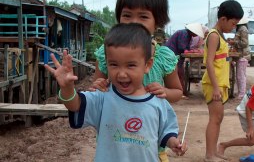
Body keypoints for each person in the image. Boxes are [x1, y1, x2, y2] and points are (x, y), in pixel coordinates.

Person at [44, 23, 188, 162]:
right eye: (114, 64)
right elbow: (74, 105)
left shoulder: (158, 102)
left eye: (131, 65)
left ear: (147, 65)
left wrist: (173, 142)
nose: (122, 74)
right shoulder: (102, 98)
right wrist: (67, 88)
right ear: (106, 63)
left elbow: (166, 133)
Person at [91, 0, 183, 161]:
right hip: (116, 140)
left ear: (158, 21)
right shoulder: (107, 52)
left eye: (143, 17)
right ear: (119, 16)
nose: (134, 22)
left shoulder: (163, 57)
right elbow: (97, 88)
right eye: (127, 15)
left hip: (150, 141)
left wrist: (164, 91)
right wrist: (99, 85)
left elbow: (178, 92)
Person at [201, 0, 244, 162]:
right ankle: (209, 155)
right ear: (223, 19)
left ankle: (213, 152)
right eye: (233, 23)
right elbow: (209, 63)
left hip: (220, 83)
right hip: (214, 84)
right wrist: (217, 88)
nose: (234, 27)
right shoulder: (213, 36)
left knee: (218, 118)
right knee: (215, 118)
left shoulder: (220, 36)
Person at [165, 23, 204, 91]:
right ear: (193, 31)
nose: (197, 35)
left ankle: (181, 91)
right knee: (178, 73)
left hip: (176, 56)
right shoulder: (184, 33)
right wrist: (191, 51)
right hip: (172, 55)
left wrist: (191, 50)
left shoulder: (188, 35)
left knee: (180, 73)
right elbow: (182, 47)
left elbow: (186, 47)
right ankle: (179, 91)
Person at [228, 17, 250, 100]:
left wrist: (234, 42)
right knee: (240, 75)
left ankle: (242, 94)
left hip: (243, 55)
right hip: (241, 55)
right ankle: (241, 92)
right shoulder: (241, 29)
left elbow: (244, 43)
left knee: (240, 75)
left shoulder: (243, 29)